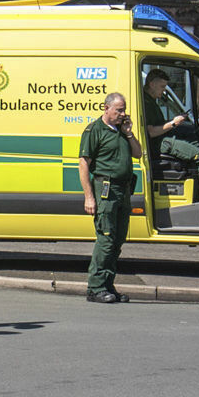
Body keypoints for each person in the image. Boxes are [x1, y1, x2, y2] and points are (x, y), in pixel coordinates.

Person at [78, 89, 139, 305]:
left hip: (122, 191)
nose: (123, 114)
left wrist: (129, 132)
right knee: (106, 239)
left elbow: (138, 153)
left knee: (118, 240)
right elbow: (84, 163)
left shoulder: (122, 130)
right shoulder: (94, 130)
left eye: (124, 110)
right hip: (106, 189)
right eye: (119, 110)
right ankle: (95, 288)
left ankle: (107, 285)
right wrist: (89, 197)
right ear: (106, 108)